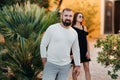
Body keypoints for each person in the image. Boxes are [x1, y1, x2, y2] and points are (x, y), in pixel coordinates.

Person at [40, 8, 81, 80]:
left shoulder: (74, 33)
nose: (68, 18)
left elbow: (76, 50)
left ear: (72, 18)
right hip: (51, 64)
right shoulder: (52, 28)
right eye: (66, 15)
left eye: (70, 16)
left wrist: (78, 65)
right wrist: (44, 60)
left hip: (65, 66)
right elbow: (43, 44)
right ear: (61, 16)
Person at [71, 12, 91, 80]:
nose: (81, 18)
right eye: (80, 16)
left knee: (87, 68)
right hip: (76, 52)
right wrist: (71, 54)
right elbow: (70, 42)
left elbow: (87, 41)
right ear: (75, 18)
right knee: (75, 69)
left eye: (82, 17)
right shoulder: (71, 28)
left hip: (84, 51)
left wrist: (88, 52)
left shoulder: (84, 27)